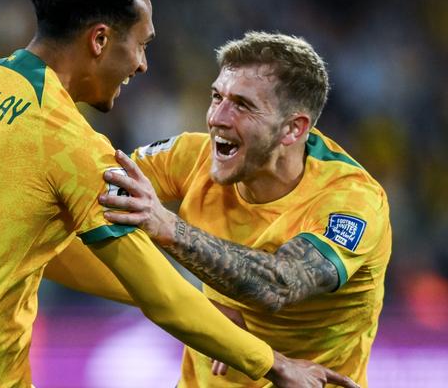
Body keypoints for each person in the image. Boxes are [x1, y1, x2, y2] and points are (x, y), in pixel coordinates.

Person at [0, 0, 358, 388]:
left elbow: (44, 250)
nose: (141, 64)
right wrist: (272, 363)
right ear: (100, 40)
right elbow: (157, 292)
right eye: (140, 44)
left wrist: (211, 309)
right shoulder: (64, 140)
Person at [94, 32, 392, 387]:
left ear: (293, 130)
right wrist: (204, 313)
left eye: (242, 105)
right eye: (216, 96)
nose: (217, 117)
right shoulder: (191, 158)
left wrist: (169, 228)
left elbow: (279, 284)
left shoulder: (351, 201)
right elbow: (87, 194)